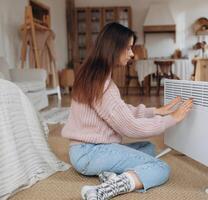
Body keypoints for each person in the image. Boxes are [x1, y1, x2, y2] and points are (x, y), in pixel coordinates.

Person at [61, 22, 193, 200]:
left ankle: (107, 174)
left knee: (148, 147)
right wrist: (171, 119)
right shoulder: (103, 84)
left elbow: (120, 110)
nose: (132, 53)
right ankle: (104, 190)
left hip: (86, 150)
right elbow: (130, 128)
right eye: (129, 48)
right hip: (90, 153)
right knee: (160, 168)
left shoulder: (94, 74)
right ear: (114, 47)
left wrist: (155, 111)